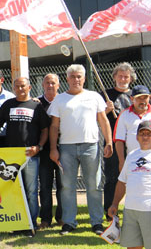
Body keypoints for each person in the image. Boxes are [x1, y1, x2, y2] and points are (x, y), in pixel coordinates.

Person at [48, 64, 113, 236]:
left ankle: (96, 222)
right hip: (66, 148)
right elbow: (54, 126)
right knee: (67, 186)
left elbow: (104, 121)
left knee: (94, 185)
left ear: (84, 78)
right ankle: (69, 223)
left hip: (91, 145)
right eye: (73, 76)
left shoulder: (94, 96)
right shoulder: (59, 99)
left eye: (79, 76)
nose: (76, 79)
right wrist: (53, 148)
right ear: (67, 79)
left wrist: (109, 142)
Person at [0, 77, 49, 234]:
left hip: (30, 155)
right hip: (11, 156)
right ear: (13, 87)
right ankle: (18, 223)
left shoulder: (37, 106)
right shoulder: (8, 104)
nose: (20, 89)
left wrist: (39, 147)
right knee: (14, 190)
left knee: (31, 191)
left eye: (23, 86)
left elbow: (45, 130)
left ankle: (31, 223)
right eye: (16, 86)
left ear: (29, 87)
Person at [108, 120, 151, 249]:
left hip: (148, 209)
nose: (145, 137)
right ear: (137, 137)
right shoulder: (132, 155)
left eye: (148, 134)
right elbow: (122, 182)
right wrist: (115, 203)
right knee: (132, 246)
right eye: (142, 133)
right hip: (130, 210)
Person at [101, 62, 135, 220]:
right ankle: (110, 211)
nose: (123, 79)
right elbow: (95, 118)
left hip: (134, 144)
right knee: (113, 177)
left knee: (136, 176)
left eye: (126, 76)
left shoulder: (136, 95)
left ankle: (135, 210)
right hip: (113, 142)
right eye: (120, 76)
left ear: (131, 78)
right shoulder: (105, 95)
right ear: (114, 77)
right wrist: (105, 111)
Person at [38, 73, 63, 229]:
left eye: (53, 82)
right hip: (44, 150)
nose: (50, 85)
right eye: (47, 82)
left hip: (64, 149)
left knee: (63, 186)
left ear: (58, 85)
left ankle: (62, 217)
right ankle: (45, 219)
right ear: (43, 85)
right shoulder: (36, 103)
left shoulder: (64, 101)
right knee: (45, 186)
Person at [114, 85, 151, 171]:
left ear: (149, 97)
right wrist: (122, 162)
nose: (142, 101)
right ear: (132, 99)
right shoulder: (124, 115)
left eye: (145, 98)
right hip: (132, 160)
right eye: (139, 98)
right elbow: (119, 140)